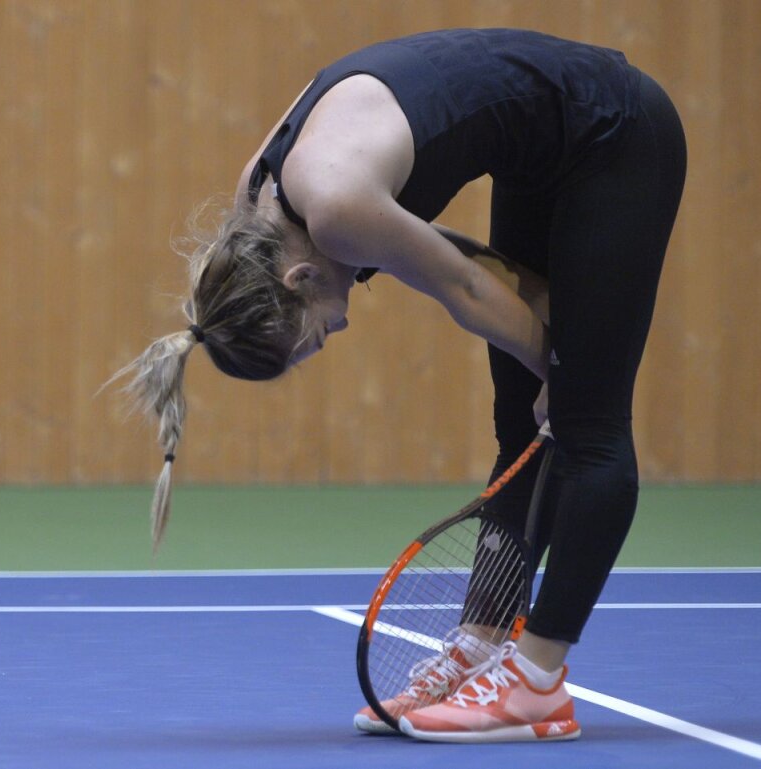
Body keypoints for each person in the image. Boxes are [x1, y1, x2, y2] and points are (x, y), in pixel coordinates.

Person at [111, 28, 686, 742]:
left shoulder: (333, 210)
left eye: (312, 336)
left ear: (298, 280)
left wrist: (559, 369)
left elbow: (466, 288)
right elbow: (438, 249)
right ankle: (480, 642)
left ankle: (538, 681)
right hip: (544, 158)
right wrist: (548, 354)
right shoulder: (262, 206)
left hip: (616, 133)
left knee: (588, 421)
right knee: (522, 429)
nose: (332, 337)